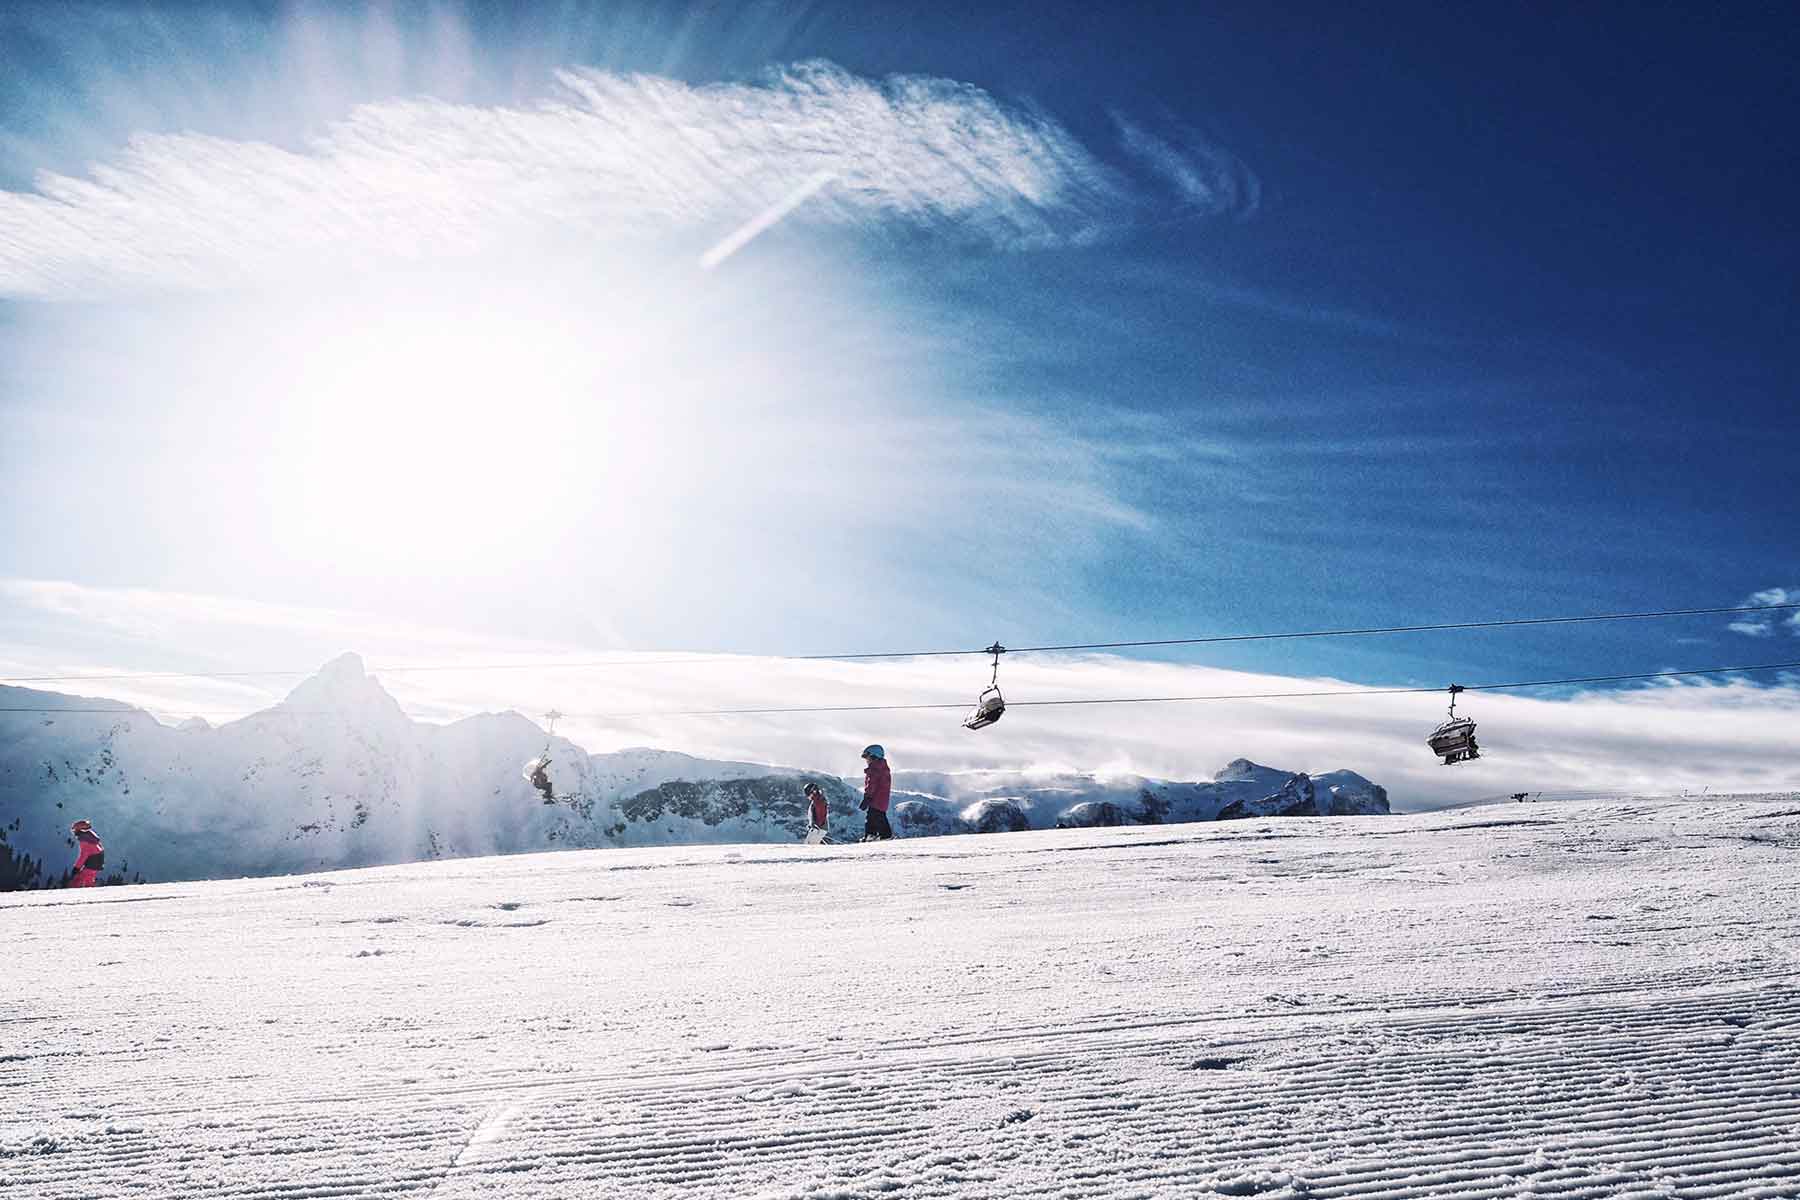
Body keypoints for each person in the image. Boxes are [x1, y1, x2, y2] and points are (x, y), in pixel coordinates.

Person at [859, 745, 893, 841]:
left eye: (868, 757)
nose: (867, 760)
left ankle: (874, 835)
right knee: (878, 816)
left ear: (874, 757)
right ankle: (882, 835)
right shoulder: (881, 767)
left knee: (873, 816)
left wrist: (867, 797)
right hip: (881, 799)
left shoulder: (875, 769)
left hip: (876, 799)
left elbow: (872, 784)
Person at [69, 820, 104, 888]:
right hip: (97, 861)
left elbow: (83, 856)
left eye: (74, 830)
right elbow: (100, 849)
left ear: (79, 830)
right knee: (89, 880)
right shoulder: (90, 837)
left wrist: (76, 868)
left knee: (77, 880)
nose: (74, 832)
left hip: (93, 862)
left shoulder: (84, 840)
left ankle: (74, 894)